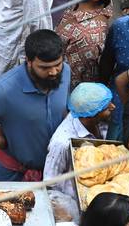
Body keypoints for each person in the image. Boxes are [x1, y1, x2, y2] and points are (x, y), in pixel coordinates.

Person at [0, 29, 71, 182]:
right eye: (44, 67)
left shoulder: (65, 72)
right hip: (12, 175)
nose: (53, 72)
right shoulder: (5, 89)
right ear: (28, 61)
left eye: (57, 64)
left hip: (52, 170)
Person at [44, 82, 116, 210]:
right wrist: (66, 211)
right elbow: (50, 183)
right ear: (91, 115)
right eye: (106, 107)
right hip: (74, 202)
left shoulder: (92, 119)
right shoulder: (62, 142)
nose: (113, 107)